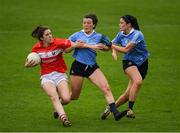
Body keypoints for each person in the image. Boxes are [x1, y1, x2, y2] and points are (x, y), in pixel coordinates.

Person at [65, 13, 127, 121]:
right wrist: (75, 45)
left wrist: (103, 47)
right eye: (84, 23)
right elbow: (65, 50)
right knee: (74, 96)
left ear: (94, 25)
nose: (86, 25)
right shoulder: (76, 35)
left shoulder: (99, 36)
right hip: (78, 67)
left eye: (89, 23)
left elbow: (107, 48)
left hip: (92, 67)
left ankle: (115, 112)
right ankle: (60, 105)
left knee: (106, 88)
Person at [24, 25, 84, 127]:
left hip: (60, 75)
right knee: (54, 96)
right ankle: (64, 118)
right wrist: (28, 65)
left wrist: (77, 45)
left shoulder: (58, 42)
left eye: (50, 33)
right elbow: (28, 61)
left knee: (66, 99)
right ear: (42, 38)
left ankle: (57, 108)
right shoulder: (36, 48)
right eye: (47, 35)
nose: (50, 36)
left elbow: (73, 44)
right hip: (46, 76)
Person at [101, 14, 149, 119]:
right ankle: (130, 110)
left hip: (143, 63)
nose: (119, 24)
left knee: (128, 95)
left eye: (122, 22)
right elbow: (110, 45)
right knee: (138, 81)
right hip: (128, 62)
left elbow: (126, 49)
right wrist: (100, 47)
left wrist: (111, 46)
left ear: (129, 24)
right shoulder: (120, 34)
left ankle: (110, 109)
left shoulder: (137, 34)